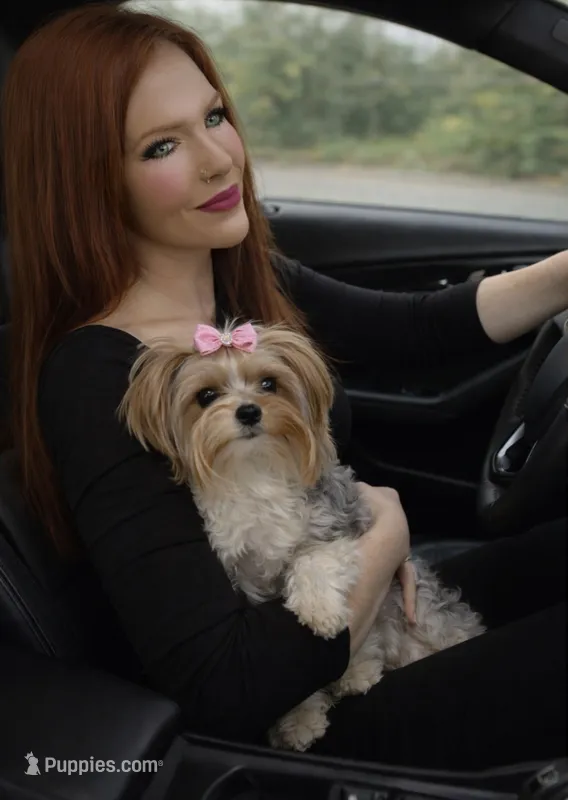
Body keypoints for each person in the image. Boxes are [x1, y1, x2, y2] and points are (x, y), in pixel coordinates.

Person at [2, 2, 565, 771]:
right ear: (87, 181)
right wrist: (385, 535)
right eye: (162, 145)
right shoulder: (97, 375)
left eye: (214, 116)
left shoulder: (238, 283)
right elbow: (229, 685)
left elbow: (421, 328)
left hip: (367, 619)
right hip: (313, 726)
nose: (218, 160)